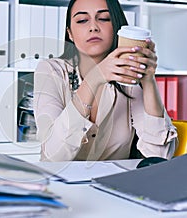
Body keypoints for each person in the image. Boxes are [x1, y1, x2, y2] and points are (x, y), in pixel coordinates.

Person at [33, 0, 177, 161]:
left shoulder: (128, 77)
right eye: (82, 20)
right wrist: (95, 78)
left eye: (104, 19)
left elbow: (159, 156)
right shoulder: (51, 71)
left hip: (114, 183)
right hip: (60, 183)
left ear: (117, 28)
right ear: (70, 34)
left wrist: (149, 80)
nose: (93, 27)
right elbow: (55, 155)